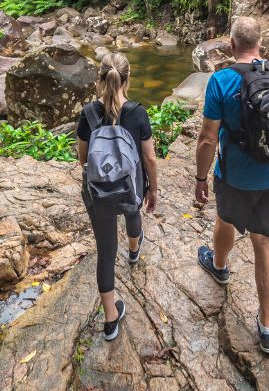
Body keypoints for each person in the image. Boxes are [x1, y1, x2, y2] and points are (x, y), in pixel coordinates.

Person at [193, 16, 269, 354]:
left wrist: (201, 178)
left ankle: (220, 266)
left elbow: (206, 138)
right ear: (260, 42)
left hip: (235, 176)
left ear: (230, 44)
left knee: (225, 219)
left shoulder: (221, 81)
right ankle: (268, 326)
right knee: (264, 242)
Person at [77, 52, 159, 341]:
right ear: (128, 78)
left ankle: (111, 319)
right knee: (133, 212)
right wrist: (153, 189)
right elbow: (149, 158)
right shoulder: (138, 112)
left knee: (106, 250)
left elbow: (83, 158)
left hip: (99, 192)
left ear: (100, 79)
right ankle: (135, 249)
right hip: (131, 185)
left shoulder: (87, 113)